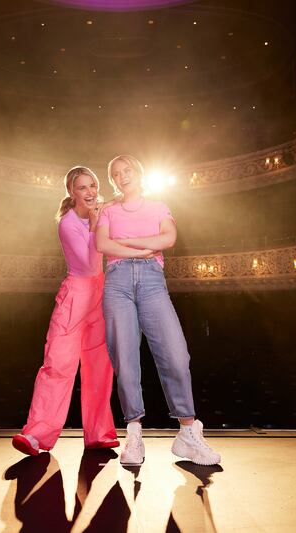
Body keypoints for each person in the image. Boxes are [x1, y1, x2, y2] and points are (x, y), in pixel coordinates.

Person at [12, 166, 152, 455]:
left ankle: (99, 433)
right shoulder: (68, 223)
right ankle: (37, 435)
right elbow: (91, 258)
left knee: (100, 367)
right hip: (76, 295)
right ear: (72, 193)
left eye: (93, 186)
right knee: (58, 365)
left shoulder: (100, 212)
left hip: (101, 293)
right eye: (82, 188)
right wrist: (98, 223)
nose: (90, 193)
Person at [95, 155, 221, 466]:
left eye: (127, 171)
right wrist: (143, 247)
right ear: (112, 181)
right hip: (118, 281)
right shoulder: (109, 210)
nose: (122, 177)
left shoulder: (159, 206)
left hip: (152, 280)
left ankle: (188, 434)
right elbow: (103, 245)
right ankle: (134, 432)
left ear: (139, 172)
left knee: (176, 355)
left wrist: (129, 241)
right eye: (116, 174)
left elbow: (169, 237)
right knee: (125, 358)